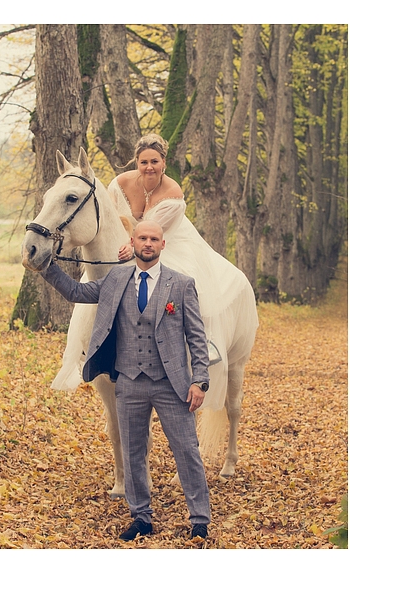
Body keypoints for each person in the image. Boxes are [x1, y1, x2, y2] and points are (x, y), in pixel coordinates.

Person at [49, 134, 257, 420]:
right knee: (92, 282)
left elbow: (154, 233)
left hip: (165, 243)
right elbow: (110, 219)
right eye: (144, 161)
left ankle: (202, 349)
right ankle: (86, 346)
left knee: (187, 284)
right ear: (137, 162)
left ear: (164, 163)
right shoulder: (120, 184)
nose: (149, 167)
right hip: (127, 241)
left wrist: (133, 245)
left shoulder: (174, 194)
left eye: (155, 162)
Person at [38, 219, 213, 541]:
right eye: (142, 238)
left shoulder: (182, 284)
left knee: (186, 450)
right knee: (132, 451)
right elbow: (76, 291)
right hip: (129, 382)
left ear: (162, 245)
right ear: (132, 243)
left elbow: (197, 338)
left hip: (171, 382)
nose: (147, 243)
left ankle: (200, 519)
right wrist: (45, 266)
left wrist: (199, 380)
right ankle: (141, 516)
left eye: (154, 239)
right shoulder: (114, 279)